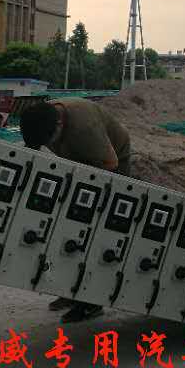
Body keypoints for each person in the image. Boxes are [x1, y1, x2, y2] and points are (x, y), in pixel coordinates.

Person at [19, 98, 133, 323]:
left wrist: (81, 184)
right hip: (79, 162)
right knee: (68, 231)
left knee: (95, 235)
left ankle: (91, 301)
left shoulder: (85, 129)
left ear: (59, 126)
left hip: (111, 164)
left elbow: (110, 163)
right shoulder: (42, 118)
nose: (47, 146)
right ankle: (72, 290)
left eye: (48, 142)